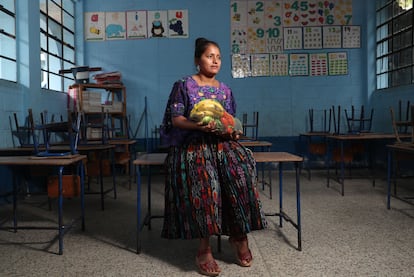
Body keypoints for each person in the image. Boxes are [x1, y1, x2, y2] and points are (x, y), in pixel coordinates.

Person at [160, 37, 267, 276]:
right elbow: (176, 120)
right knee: (205, 179)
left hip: (221, 143)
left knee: (240, 172)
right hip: (193, 144)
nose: (215, 61)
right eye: (210, 56)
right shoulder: (183, 85)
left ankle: (239, 237)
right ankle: (204, 248)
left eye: (218, 57)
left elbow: (228, 120)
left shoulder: (225, 90)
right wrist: (199, 127)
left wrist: (233, 131)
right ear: (198, 60)